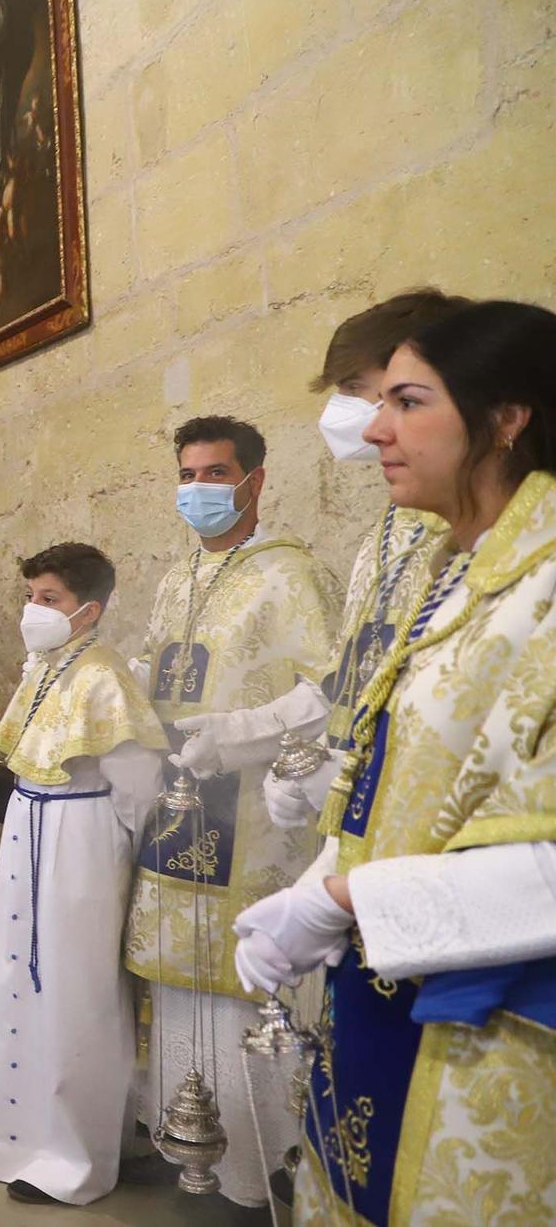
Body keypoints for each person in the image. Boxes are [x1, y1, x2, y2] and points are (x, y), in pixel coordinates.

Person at [232, 301, 556, 1227]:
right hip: (379, 987)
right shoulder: (444, 566)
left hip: (493, 1026)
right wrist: (326, 875)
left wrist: (341, 903)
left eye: (407, 401)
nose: (375, 425)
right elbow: (400, 774)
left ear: (506, 417)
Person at [124, 415, 341, 1211]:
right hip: (177, 810)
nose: (198, 490)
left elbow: (329, 692)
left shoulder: (295, 575)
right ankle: (180, 1145)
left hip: (250, 816)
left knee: (245, 989)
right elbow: (163, 671)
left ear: (255, 479)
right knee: (179, 986)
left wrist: (238, 737)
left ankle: (257, 1176)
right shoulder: (177, 579)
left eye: (215, 474)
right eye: (187, 474)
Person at [169, 292, 471, 834]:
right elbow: (346, 681)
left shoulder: (486, 532)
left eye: (358, 390)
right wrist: (242, 734)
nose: (368, 425)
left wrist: (348, 773)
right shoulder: (391, 525)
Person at [0, 544, 165, 1206]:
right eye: (30, 596)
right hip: (31, 829)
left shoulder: (106, 675)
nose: (32, 610)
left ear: (88, 610)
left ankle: (73, 1157)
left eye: (47, 599)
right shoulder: (48, 667)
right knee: (12, 979)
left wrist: (106, 860)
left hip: (80, 839)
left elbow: (137, 787)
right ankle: (9, 1140)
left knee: (74, 990)